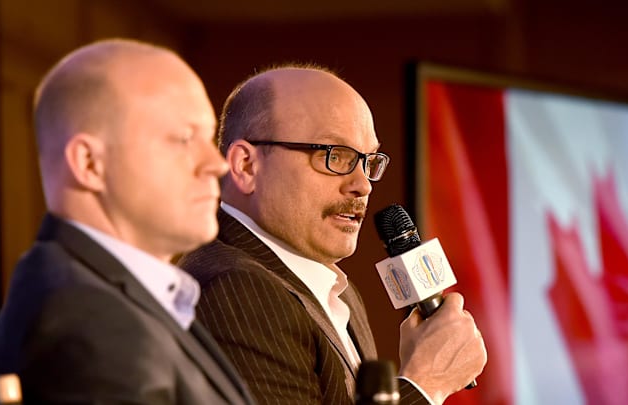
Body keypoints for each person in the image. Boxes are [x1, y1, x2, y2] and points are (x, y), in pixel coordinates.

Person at [177, 64, 487, 404]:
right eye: (334, 155)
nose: (363, 185)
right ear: (247, 166)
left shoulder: (338, 291)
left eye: (368, 161)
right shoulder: (234, 289)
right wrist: (425, 384)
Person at [0, 38, 255, 404]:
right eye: (184, 138)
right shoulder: (92, 326)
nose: (215, 165)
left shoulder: (99, 298)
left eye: (207, 137)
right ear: (90, 164)